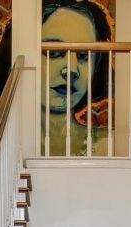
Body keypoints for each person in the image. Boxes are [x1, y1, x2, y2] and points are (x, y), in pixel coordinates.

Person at [42, 1, 112, 155]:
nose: (72, 70)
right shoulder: (9, 143)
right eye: (54, 53)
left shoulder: (107, 144)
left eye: (83, 56)